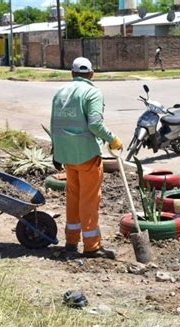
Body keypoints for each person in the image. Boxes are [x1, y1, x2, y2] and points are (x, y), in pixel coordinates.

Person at [50, 57, 123, 259]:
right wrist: (112, 139)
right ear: (91, 74)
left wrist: (55, 150)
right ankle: (91, 245)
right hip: (87, 155)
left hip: (67, 156)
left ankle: (71, 241)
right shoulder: (92, 92)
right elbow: (95, 125)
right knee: (90, 200)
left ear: (72, 73)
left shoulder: (60, 92)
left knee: (73, 197)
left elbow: (54, 122)